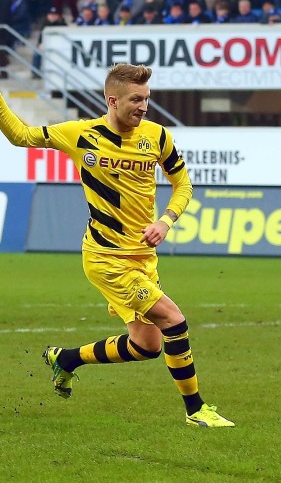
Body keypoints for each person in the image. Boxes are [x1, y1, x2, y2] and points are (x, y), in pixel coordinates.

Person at [0, 64, 234, 427]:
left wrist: (165, 220)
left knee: (147, 346)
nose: (143, 106)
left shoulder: (156, 137)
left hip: (143, 258)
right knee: (174, 319)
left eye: (146, 99)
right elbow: (20, 135)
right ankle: (196, 410)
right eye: (136, 99)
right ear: (113, 100)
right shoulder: (80, 134)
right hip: (107, 257)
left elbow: (183, 184)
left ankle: (67, 359)